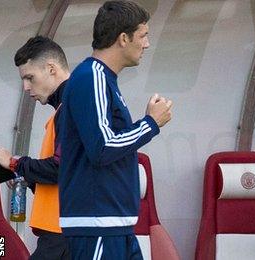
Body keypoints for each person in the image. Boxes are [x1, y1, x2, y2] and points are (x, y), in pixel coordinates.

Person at [57, 1, 172, 259]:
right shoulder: (92, 76)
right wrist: (150, 124)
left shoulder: (103, 78)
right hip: (97, 224)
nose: (147, 44)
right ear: (123, 38)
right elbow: (103, 147)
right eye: (143, 36)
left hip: (115, 225)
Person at [0, 36, 70, 259]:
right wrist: (27, 176)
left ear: (51, 68)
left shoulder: (70, 109)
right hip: (57, 231)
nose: (26, 87)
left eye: (30, 77)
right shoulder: (63, 110)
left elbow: (61, 168)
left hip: (62, 234)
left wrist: (16, 163)